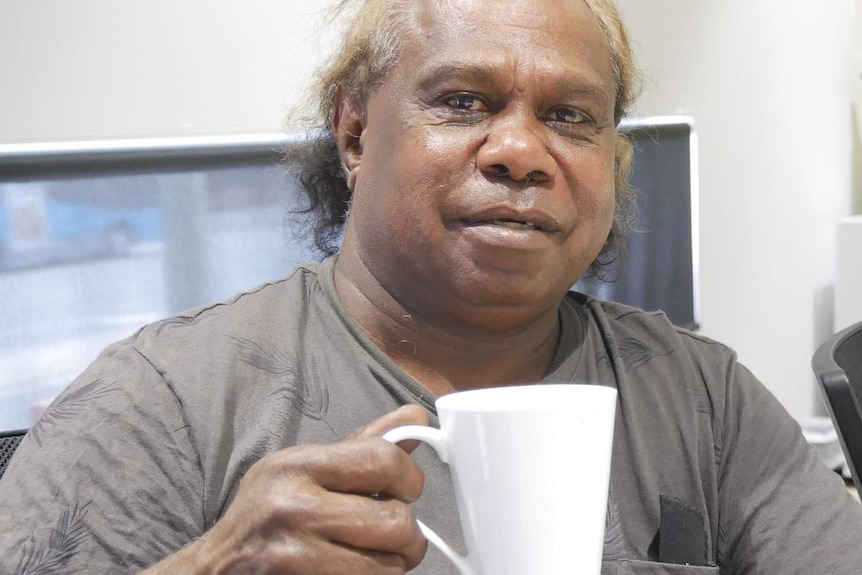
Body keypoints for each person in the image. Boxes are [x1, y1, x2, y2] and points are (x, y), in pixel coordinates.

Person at [1, 0, 860, 573]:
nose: (520, 151)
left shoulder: (704, 400)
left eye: (570, 117)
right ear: (354, 132)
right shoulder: (164, 400)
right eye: (462, 101)